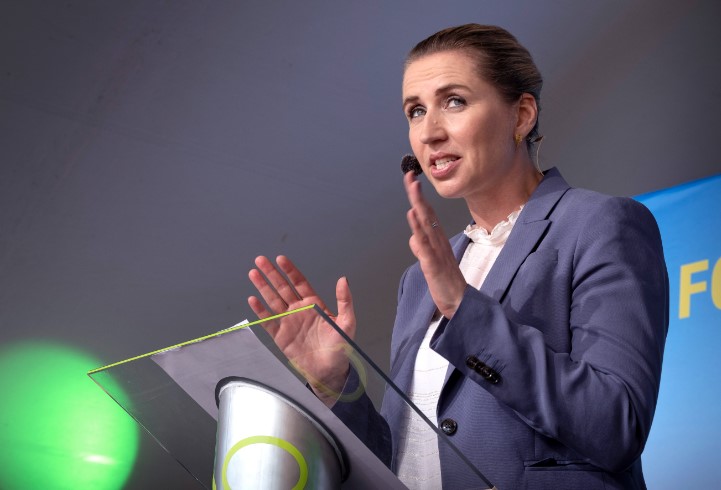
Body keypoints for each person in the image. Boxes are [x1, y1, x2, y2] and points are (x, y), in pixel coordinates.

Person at [247, 24, 668, 490]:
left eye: (454, 101)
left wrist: (464, 309)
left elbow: (616, 426)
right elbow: (404, 459)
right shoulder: (419, 277)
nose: (429, 132)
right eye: (415, 111)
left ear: (521, 115)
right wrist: (333, 382)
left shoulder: (600, 225)